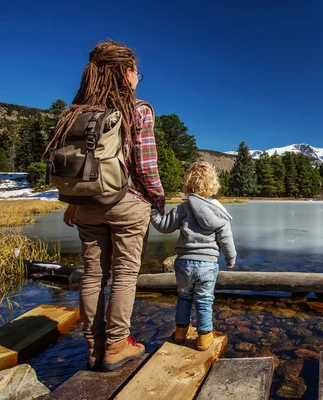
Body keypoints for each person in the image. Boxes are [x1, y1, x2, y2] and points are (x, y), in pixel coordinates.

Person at [58, 41, 165, 371]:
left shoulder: (75, 112)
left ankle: (94, 346)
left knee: (92, 275)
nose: (137, 78)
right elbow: (146, 166)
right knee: (124, 274)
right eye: (136, 72)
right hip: (127, 203)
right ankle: (118, 344)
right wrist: (157, 200)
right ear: (127, 71)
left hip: (87, 205)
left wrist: (74, 201)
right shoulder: (138, 109)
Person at [151, 162, 236, 350]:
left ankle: (180, 334)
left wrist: (154, 212)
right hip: (207, 264)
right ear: (213, 186)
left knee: (184, 297)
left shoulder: (184, 208)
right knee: (204, 300)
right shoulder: (219, 212)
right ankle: (204, 337)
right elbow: (226, 240)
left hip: (184, 263)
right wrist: (230, 258)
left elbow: (164, 226)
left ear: (188, 184)